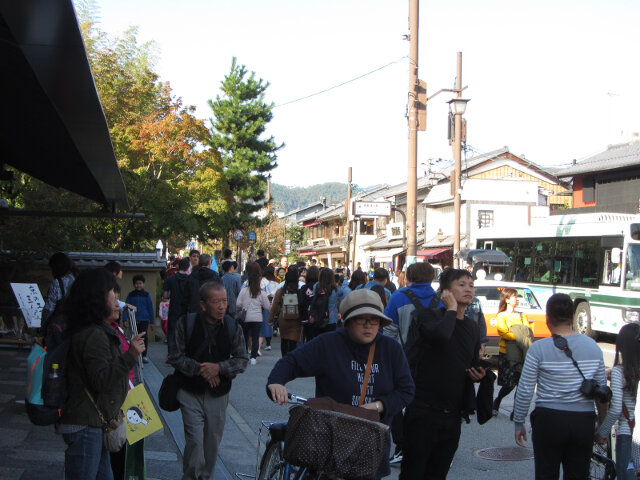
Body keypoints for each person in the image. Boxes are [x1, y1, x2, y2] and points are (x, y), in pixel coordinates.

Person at [267, 288, 415, 480]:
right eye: (362, 319)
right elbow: (292, 362)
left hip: (368, 447)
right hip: (328, 442)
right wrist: (277, 382)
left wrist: (380, 405)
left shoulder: (390, 349)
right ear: (348, 321)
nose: (369, 326)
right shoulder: (328, 344)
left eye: (375, 320)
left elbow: (406, 390)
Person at [58, 268, 145, 480]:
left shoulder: (95, 329)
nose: (118, 303)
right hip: (85, 422)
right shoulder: (93, 334)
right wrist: (130, 355)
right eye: (112, 295)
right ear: (96, 299)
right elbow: (102, 380)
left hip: (93, 421)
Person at [399, 268, 486, 480]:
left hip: (452, 415)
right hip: (423, 411)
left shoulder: (472, 327)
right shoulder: (427, 316)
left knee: (438, 473)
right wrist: (451, 310)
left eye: (471, 285)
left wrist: (479, 374)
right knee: (413, 473)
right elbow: (441, 336)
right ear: (446, 292)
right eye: (462, 284)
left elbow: (470, 362)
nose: (468, 289)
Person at [513, 293, 608, 479]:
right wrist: (601, 425)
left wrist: (519, 421)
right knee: (578, 474)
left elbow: (525, 389)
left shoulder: (538, 349)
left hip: (549, 419)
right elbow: (601, 391)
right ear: (573, 318)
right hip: (583, 421)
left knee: (546, 473)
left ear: (547, 319)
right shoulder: (593, 347)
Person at [169, 282, 248, 480]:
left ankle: (206, 477)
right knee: (195, 442)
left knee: (211, 444)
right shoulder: (186, 324)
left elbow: (242, 360)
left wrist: (219, 368)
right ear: (203, 304)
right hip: (189, 392)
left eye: (224, 301)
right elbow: (175, 356)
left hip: (218, 395)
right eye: (216, 302)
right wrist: (202, 370)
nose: (222, 306)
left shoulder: (232, 326)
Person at [383, 262, 438, 466]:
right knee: (426, 404)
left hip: (403, 359)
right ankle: (425, 444)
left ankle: (402, 444)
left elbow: (388, 331)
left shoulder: (399, 296)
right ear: (431, 278)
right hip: (433, 363)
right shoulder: (441, 299)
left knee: (397, 401)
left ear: (409, 278)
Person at [596, 323, 640, 480]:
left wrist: (601, 432)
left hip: (629, 435)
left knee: (627, 475)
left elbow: (615, 410)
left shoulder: (620, 372)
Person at [493, 288, 534, 416]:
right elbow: (503, 333)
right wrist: (518, 336)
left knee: (521, 383)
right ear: (506, 299)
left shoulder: (523, 315)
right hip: (507, 353)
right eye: (514, 296)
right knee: (509, 384)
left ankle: (516, 411)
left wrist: (518, 334)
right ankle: (497, 401)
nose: (517, 299)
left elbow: (527, 331)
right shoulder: (501, 316)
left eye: (517, 296)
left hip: (522, 352)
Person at [236, 267, 271, 365]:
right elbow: (267, 306)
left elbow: (238, 303)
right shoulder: (261, 293)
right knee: (255, 337)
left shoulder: (243, 291)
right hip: (257, 318)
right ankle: (253, 357)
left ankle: (245, 354)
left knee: (245, 337)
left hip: (245, 318)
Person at [269, 268, 302, 356]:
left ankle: (284, 358)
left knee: (284, 339)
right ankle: (292, 359)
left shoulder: (281, 291)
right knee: (293, 341)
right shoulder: (299, 291)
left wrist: (270, 320)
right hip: (296, 319)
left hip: (283, 318)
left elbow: (274, 306)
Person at [41, 252, 78, 331]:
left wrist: (42, 326)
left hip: (61, 327)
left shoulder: (58, 283)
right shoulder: (79, 278)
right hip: (79, 325)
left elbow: (49, 309)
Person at [124, 274, 155, 364]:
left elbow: (150, 308)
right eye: (136, 283)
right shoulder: (131, 295)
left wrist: (152, 322)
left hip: (144, 320)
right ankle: (135, 355)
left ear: (144, 284)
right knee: (134, 337)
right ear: (134, 285)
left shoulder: (147, 295)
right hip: (133, 320)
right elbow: (126, 307)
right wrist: (125, 319)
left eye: (140, 283)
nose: (138, 285)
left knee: (143, 338)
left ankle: (144, 355)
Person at [162, 257, 190, 356]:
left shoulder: (170, 279)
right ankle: (182, 353)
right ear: (187, 267)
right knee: (185, 332)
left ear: (178, 266)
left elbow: (165, 296)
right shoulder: (189, 279)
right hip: (186, 309)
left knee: (171, 332)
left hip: (173, 307)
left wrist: (170, 295)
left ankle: (170, 353)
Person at [312, 267, 346, 336]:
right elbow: (343, 293)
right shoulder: (335, 288)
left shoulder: (316, 286)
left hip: (317, 318)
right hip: (331, 318)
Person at [299, 265, 319, 344]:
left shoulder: (304, 288)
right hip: (317, 317)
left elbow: (301, 302)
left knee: (306, 338)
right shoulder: (320, 287)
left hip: (305, 317)